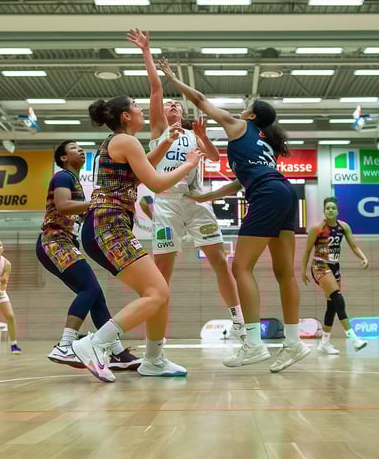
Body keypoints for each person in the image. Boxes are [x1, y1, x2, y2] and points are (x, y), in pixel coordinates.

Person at [165, 69, 310, 373]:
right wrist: (205, 197)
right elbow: (240, 182)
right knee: (285, 273)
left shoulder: (239, 125)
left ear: (252, 115)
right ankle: (294, 342)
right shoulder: (266, 143)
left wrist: (173, 79)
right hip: (285, 191)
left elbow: (202, 101)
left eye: (246, 108)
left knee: (240, 267)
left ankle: (254, 344)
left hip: (267, 194)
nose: (241, 110)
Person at [126, 30, 247, 343]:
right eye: (167, 104)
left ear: (183, 111)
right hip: (165, 202)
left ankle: (238, 322)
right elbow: (155, 88)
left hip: (195, 201)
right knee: (162, 273)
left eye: (176, 104)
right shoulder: (157, 129)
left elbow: (216, 157)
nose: (171, 105)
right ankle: (157, 340)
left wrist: (205, 138)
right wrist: (146, 52)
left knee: (220, 261)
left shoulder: (194, 134)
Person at [71, 96, 203, 382]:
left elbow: (139, 174)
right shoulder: (125, 141)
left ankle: (153, 360)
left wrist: (166, 144)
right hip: (108, 226)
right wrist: (189, 163)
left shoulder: (121, 143)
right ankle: (95, 343)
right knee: (158, 293)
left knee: (156, 293)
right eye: (135, 106)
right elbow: (156, 182)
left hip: (106, 227)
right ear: (126, 116)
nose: (141, 109)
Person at [37, 140, 140, 371]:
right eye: (73, 147)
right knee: (91, 290)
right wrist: (95, 204)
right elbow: (63, 206)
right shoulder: (62, 177)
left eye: (81, 147)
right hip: (54, 241)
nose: (80, 149)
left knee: (96, 295)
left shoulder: (76, 183)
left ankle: (117, 353)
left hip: (65, 243)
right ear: (63, 158)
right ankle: (65, 346)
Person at [302, 197, 370, 355]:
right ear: (324, 211)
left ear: (337, 210)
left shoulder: (343, 227)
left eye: (333, 208)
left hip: (334, 267)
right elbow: (307, 250)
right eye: (328, 208)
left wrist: (363, 258)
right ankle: (354, 338)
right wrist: (303, 271)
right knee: (338, 297)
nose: (330, 210)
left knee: (332, 305)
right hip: (319, 265)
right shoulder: (317, 228)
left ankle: (324, 343)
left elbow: (353, 245)